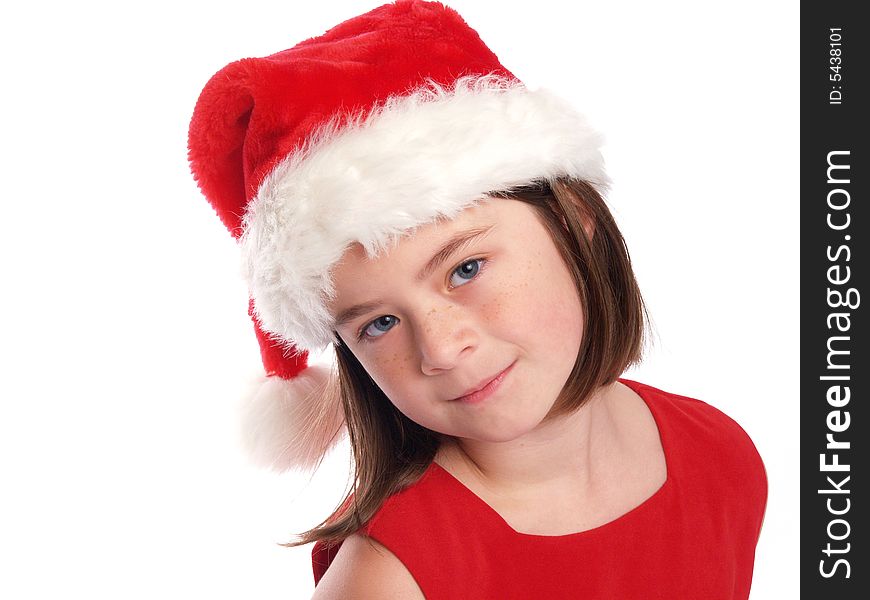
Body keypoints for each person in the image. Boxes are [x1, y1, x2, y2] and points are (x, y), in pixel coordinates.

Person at [188, 1, 767, 598]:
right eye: (380, 323)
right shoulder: (386, 581)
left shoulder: (721, 455)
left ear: (576, 220)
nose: (439, 348)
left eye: (465, 269)